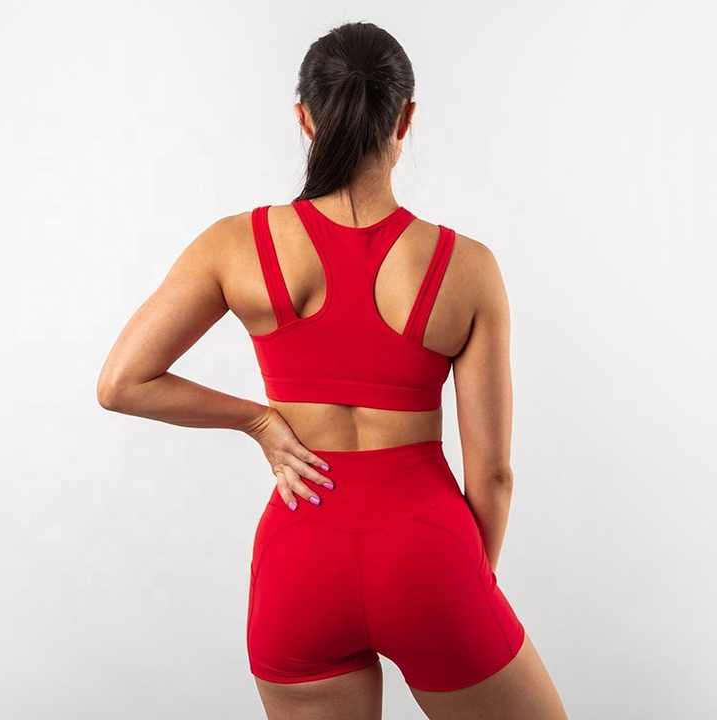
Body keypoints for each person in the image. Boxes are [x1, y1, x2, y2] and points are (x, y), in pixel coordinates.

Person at [97, 20, 568, 720]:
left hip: (301, 560)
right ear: (404, 119)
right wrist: (462, 584)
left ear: (305, 118)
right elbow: (493, 474)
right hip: (428, 556)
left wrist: (259, 422)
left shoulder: (235, 246)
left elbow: (121, 383)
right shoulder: (468, 268)